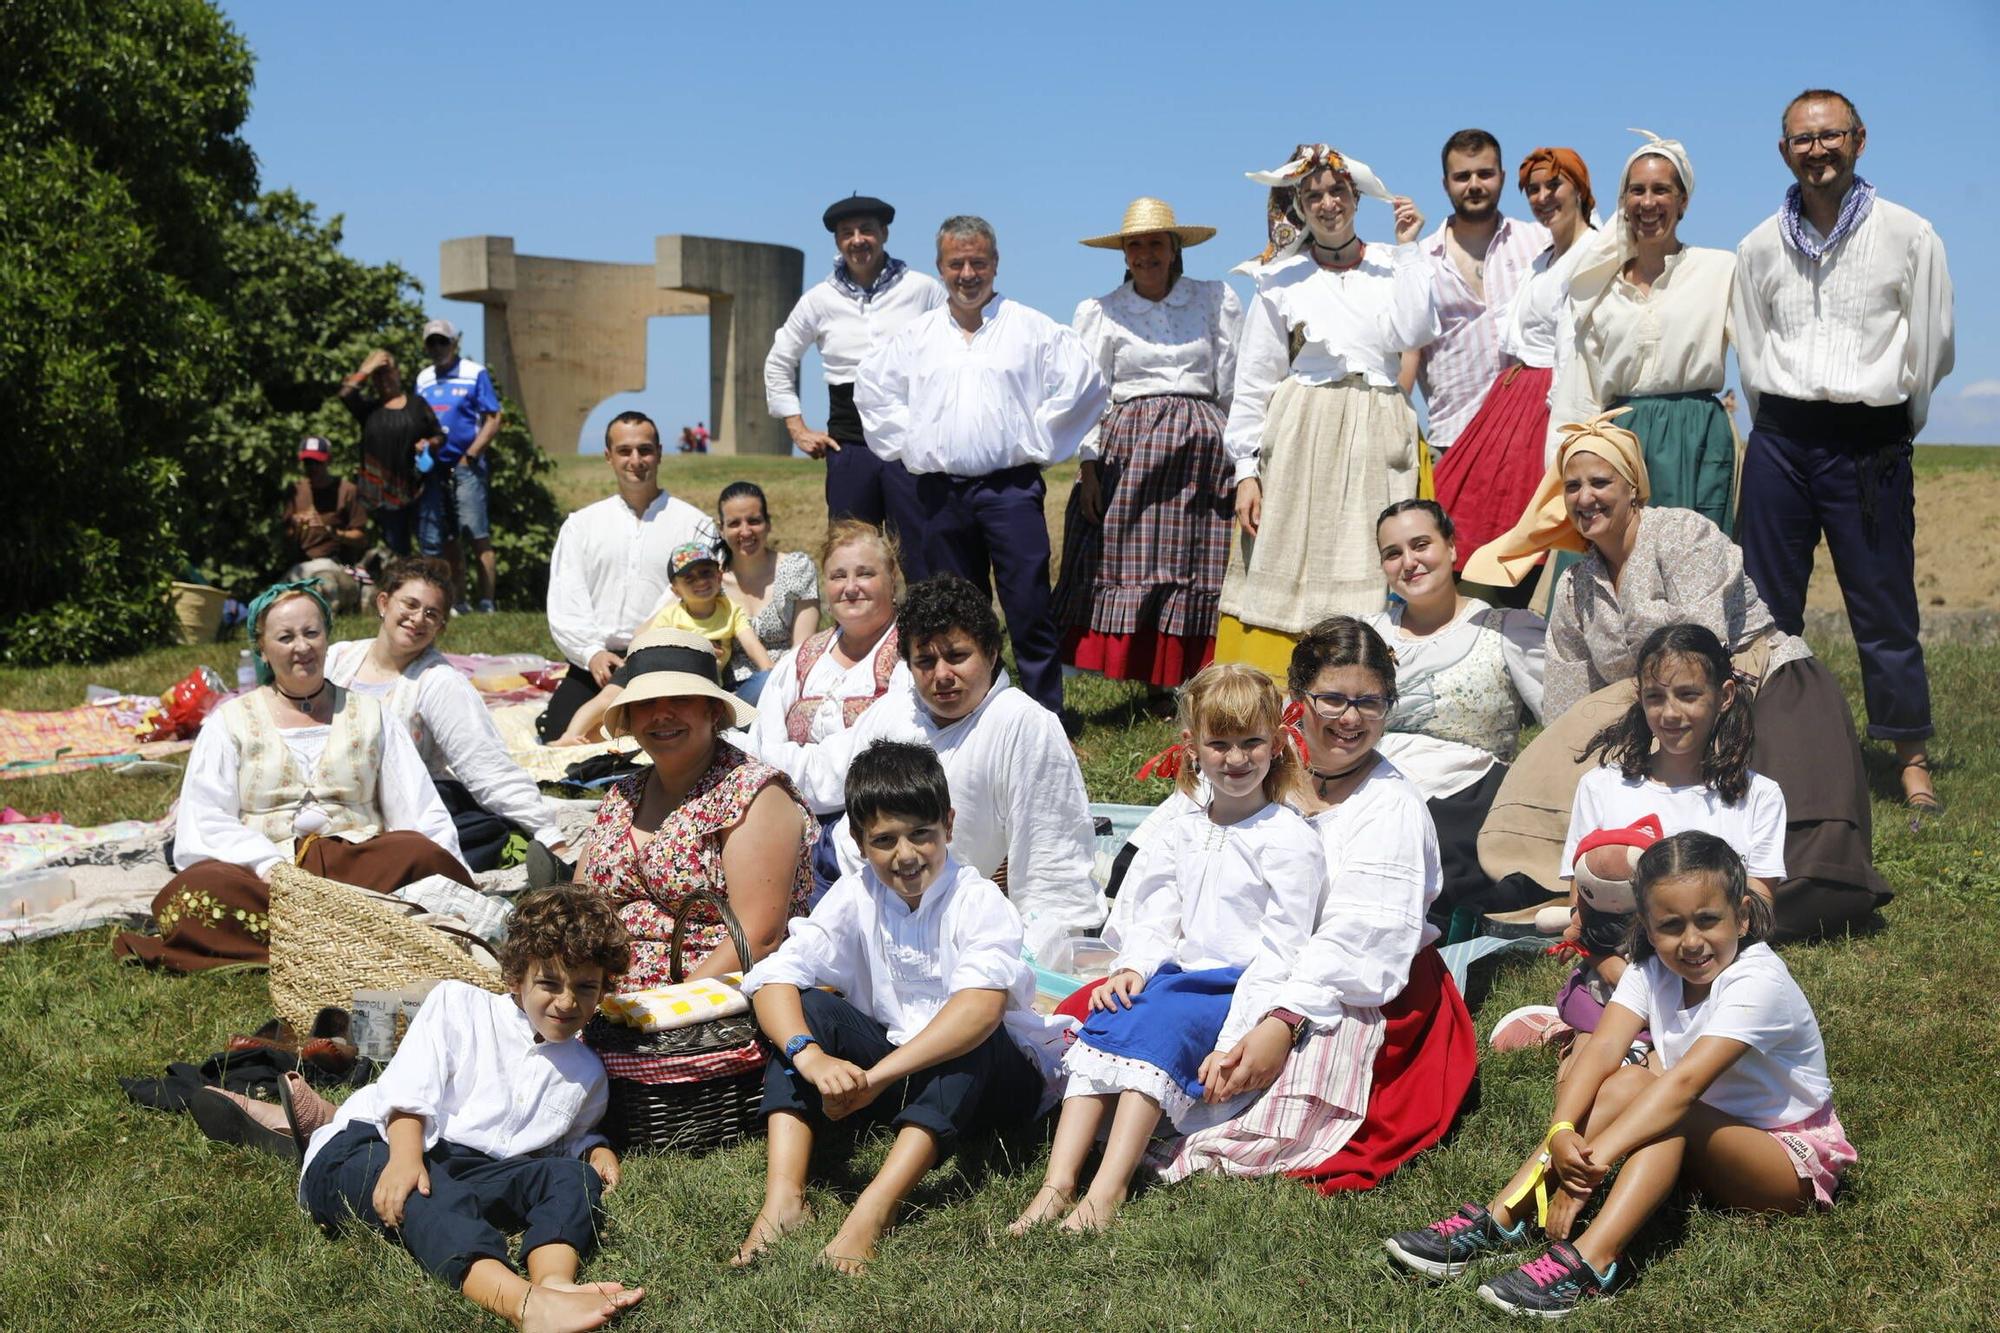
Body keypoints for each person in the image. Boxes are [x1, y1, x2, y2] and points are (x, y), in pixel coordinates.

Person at [1384, 833, 1853, 1317]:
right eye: (1670, 926)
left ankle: (1593, 1260)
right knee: (1630, 1081)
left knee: (1667, 1107)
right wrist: (1562, 1130)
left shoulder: (1758, 981)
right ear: (1647, 929)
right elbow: (1604, 1048)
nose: (1691, 941)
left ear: (1743, 916)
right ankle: (1504, 1214)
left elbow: (1684, 1086)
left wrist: (1593, 1164)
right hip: (1705, 1133)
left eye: (1707, 920)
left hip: (1785, 1161)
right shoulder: (1651, 968)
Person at [1466, 411, 1890, 940]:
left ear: (1633, 489)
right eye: (1573, 486)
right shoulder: (1576, 585)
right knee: (1579, 743)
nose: (1585, 497)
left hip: (1749, 677)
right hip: (1650, 709)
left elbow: (1700, 651)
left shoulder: (1681, 535)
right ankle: (1533, 872)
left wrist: (1635, 709)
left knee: (1791, 858)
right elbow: (1567, 704)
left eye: (1601, 482)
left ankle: (1728, 899)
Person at [1157, 617, 1476, 1193]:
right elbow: (1176, 861)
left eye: (1370, 702)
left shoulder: (1391, 807)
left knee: (1261, 1081)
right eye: (1332, 698)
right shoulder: (1251, 762)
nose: (1350, 719)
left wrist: (1282, 1020)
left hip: (1356, 988)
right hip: (1247, 959)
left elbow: (1361, 939)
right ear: (1296, 699)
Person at [734, 741, 1068, 1274]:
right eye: (884, 841)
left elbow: (980, 1011)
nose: (906, 855)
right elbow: (773, 975)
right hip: (896, 1072)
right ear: (858, 842)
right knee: (806, 1009)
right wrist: (810, 1057)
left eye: (922, 834)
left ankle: (873, 1210)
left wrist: (876, 1079)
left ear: (949, 826)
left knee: (966, 1038)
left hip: (995, 1086)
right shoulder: (857, 892)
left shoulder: (978, 901)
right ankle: (783, 1200)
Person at [1010, 664, 1322, 1234]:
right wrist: (1132, 966)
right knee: (1110, 1020)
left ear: (1277, 744)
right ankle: (1057, 1183)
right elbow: (1158, 914)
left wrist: (1237, 1035)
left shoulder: (1288, 838)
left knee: (1158, 1032)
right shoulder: (1182, 829)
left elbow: (1284, 949)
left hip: (1232, 986)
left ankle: (1108, 1186)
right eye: (1219, 743)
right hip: (1178, 977)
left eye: (1251, 742)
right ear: (1192, 749)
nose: (1235, 759)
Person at [1733, 88, 1956, 814]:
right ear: (1783, 150)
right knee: (1764, 604)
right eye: (1803, 139)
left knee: (1882, 601)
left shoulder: (1909, 234)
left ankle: (1909, 757)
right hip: (1782, 437)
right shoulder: (1759, 245)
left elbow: (1932, 345)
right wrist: (1777, 427)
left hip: (1869, 440)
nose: (1817, 150)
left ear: (1859, 140)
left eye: (1831, 137)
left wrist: (1889, 424)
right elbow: (1752, 346)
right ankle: (1759, 748)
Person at [298, 888, 647, 1331]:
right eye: (549, 983)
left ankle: (554, 1282)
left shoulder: (587, 1071)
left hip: (474, 1170)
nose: (566, 1001)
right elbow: (409, 1093)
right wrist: (405, 1159)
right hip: (375, 1145)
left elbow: (567, 1138)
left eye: (585, 987)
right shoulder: (459, 1005)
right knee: (425, 1194)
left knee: (568, 1176)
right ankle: (523, 1304)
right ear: (516, 978)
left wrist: (594, 1150)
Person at [113, 582, 472, 972]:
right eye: (285, 637)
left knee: (418, 853)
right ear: (263, 648)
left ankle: (300, 939)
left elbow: (417, 806)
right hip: (269, 881)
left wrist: (451, 871)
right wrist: (266, 864)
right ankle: (363, 934)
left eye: (311, 633)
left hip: (359, 867)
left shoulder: (373, 715)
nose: (301, 647)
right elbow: (204, 820)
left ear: (326, 637)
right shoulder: (228, 723)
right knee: (196, 893)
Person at [748, 575, 1103, 962]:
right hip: (833, 869)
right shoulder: (901, 709)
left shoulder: (1022, 725)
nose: (942, 675)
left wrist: (1030, 964)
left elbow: (1052, 867)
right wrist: (744, 755)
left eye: (957, 656)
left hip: (920, 909)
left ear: (990, 652)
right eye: (925, 661)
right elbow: (827, 773)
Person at [855, 215, 1109, 716]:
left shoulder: (1030, 328)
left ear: (995, 264)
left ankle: (1042, 718)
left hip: (1009, 490)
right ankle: (968, 716)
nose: (968, 273)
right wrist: (913, 441)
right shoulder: (918, 335)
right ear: (940, 267)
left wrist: (1038, 437)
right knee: (954, 611)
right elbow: (872, 391)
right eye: (956, 263)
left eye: (978, 262)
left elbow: (1087, 383)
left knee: (1028, 605)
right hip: (938, 495)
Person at [1218, 144, 1438, 673]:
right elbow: (1254, 381)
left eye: (1337, 190)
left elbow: (1416, 330)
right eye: (1313, 194)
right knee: (1293, 555)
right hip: (1304, 434)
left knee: (1375, 555)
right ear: (1299, 205)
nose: (1327, 202)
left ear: (1355, 197)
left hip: (1378, 426)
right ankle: (1275, 688)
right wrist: (1247, 472)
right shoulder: (1279, 279)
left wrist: (1408, 248)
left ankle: (1368, 684)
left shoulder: (1392, 265)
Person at [1538, 624, 1788, 1076]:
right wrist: (1619, 973)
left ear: (1725, 695)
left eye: (1689, 695)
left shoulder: (1759, 797)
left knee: (1664, 1086)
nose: (1670, 713)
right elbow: (1583, 911)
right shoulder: (1602, 787)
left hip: (1713, 987)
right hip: (1618, 978)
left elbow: (1758, 914)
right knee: (1586, 1078)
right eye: (1655, 697)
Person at [1051, 197, 1242, 695]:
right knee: (1123, 552)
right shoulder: (1101, 311)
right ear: (1124, 254)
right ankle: (1118, 666)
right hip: (1130, 447)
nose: (1146, 254)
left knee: (1195, 557)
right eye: (1136, 245)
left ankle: (1185, 676)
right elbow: (1088, 393)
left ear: (1175, 248)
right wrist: (1089, 466)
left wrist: (1244, 458)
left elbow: (1233, 386)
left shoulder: (1215, 298)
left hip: (1201, 446)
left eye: (1156, 243)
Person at [571, 630, 814, 990]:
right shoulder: (622, 796)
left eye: (680, 699)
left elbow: (758, 935)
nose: (661, 715)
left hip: (704, 1007)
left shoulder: (753, 794)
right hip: (603, 999)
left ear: (713, 709)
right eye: (646, 703)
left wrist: (668, 1008)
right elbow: (580, 904)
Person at [1363, 501, 1543, 930]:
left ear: (1452, 548)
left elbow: (1565, 720)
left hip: (1470, 793)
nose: (1409, 562)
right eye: (1393, 553)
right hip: (1376, 784)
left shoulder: (1505, 628)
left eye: (1421, 544)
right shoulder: (1367, 636)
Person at [1547, 130, 1736, 538]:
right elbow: (1581, 389)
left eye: (1661, 190)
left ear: (1683, 200)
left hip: (1696, 438)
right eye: (1637, 191)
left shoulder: (1719, 271)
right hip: (1620, 442)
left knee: (1694, 559)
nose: (1647, 202)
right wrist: (1564, 468)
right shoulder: (1601, 287)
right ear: (1624, 201)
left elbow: (1758, 361)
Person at [323, 557, 567, 872]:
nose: (417, 619)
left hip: (408, 804)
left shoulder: (439, 682)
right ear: (383, 602)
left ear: (440, 627)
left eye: (431, 614)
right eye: (409, 604)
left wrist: (547, 833)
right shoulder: (339, 658)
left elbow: (484, 765)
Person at [1432, 147, 1597, 585]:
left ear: (1579, 189)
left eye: (1553, 185)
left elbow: (1574, 348)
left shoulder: (1592, 254)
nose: (1543, 197)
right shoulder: (1542, 259)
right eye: (1533, 189)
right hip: (1509, 399)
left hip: (1547, 401)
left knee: (1524, 534)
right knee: (1454, 509)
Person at [743, 520, 910, 897]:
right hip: (785, 817)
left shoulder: (909, 659)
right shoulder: (802, 658)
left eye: (865, 573)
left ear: (892, 577)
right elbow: (760, 746)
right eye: (838, 576)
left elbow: (859, 765)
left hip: (865, 830)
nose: (851, 587)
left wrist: (784, 763)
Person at [764, 194, 945, 539]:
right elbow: (779, 360)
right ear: (837, 241)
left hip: (911, 444)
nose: (857, 240)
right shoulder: (818, 300)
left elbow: (955, 350)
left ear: (885, 233)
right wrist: (796, 427)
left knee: (920, 547)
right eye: (847, 233)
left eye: (867, 230)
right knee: (850, 548)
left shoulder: (923, 290)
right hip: (849, 444)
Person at [538, 411, 717, 742]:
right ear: (609, 456)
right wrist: (591, 653)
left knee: (657, 734)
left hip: (663, 656)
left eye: (645, 450)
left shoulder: (695, 525)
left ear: (660, 453)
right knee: (559, 731)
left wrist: (645, 646)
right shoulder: (582, 525)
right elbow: (568, 597)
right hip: (598, 661)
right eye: (624, 451)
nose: (636, 460)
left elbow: (691, 597)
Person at [1412, 129, 1551, 457]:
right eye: (1462, 176)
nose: (1474, 184)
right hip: (1453, 439)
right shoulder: (1418, 261)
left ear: (1502, 177)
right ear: (1446, 183)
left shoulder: (1539, 243)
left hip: (1531, 436)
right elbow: (1406, 355)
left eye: (1485, 174)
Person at [552, 542, 773, 742]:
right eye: (690, 578)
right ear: (675, 590)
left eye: (706, 573)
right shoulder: (672, 615)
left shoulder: (730, 611)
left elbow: (752, 644)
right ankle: (570, 734)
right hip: (645, 669)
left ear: (719, 575)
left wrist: (768, 670)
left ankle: (589, 739)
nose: (701, 581)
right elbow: (646, 644)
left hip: (685, 684)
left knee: (626, 725)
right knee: (608, 698)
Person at [413, 318, 504, 614]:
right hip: (434, 469)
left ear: (454, 344)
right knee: (448, 538)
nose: (437, 348)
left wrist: (472, 454)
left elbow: (494, 417)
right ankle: (458, 602)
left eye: (443, 341)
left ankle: (487, 602)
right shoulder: (424, 378)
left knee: (475, 533)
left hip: (467, 466)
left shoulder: (474, 373)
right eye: (432, 342)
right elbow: (417, 420)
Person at [717, 480, 820, 703]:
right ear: (721, 529)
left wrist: (778, 686)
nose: (745, 531)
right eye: (734, 523)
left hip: (789, 684)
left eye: (754, 521)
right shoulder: (712, 581)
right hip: (734, 693)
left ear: (768, 523)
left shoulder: (796, 568)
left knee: (768, 682)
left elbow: (803, 647)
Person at [338, 349, 444, 557]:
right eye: (378, 375)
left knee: (431, 547)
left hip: (420, 488)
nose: (384, 379)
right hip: (384, 495)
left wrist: (429, 443)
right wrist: (367, 368)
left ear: (398, 373)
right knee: (396, 554)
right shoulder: (368, 410)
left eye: (387, 372)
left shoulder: (417, 405)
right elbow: (346, 393)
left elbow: (439, 435)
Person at [285, 434, 368, 568]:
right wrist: (295, 524)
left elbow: (362, 539)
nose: (312, 468)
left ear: (328, 460)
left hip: (336, 563)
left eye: (317, 462)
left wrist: (332, 532)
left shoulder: (348, 491)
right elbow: (285, 534)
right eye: (308, 462)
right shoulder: (295, 490)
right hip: (300, 565)